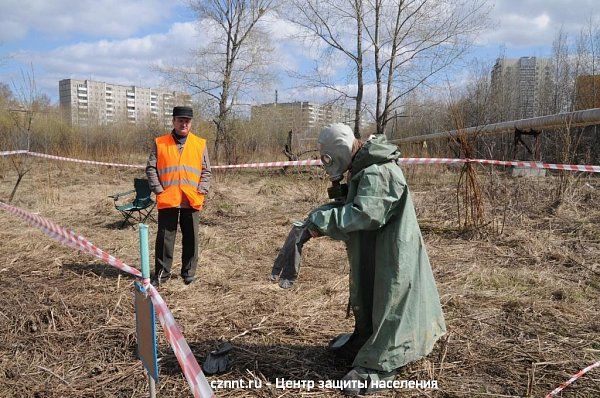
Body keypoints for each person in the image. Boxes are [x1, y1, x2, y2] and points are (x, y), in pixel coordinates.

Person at [280, 123, 446, 395]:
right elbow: (353, 204)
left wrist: (320, 222)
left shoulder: (378, 170)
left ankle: (382, 362)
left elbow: (365, 214)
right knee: (370, 292)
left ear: (342, 150)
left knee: (390, 298)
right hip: (375, 248)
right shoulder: (365, 167)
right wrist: (319, 215)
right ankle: (366, 338)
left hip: (393, 252)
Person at [146, 106, 211, 286]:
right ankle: (162, 274)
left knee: (191, 238)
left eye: (187, 121)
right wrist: (158, 189)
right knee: (165, 238)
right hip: (168, 198)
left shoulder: (200, 143)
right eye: (180, 120)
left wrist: (201, 190)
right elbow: (151, 168)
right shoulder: (160, 142)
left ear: (191, 123)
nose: (184, 124)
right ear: (173, 121)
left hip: (192, 198)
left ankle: (188, 272)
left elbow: (206, 171)